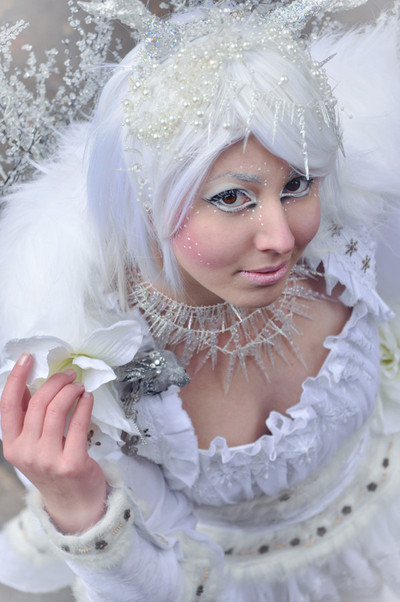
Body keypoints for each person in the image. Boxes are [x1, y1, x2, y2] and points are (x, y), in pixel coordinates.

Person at [0, 0, 400, 600]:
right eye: (233, 198)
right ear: (146, 202)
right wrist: (83, 513)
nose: (281, 238)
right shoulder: (94, 368)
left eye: (297, 185)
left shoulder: (348, 243)